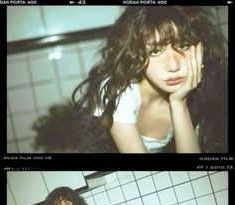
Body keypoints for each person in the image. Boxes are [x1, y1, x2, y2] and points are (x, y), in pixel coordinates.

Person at [72, 6, 228, 153]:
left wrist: (179, 103)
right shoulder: (119, 91)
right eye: (155, 51)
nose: (173, 65)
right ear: (136, 54)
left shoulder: (201, 89)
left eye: (184, 45)